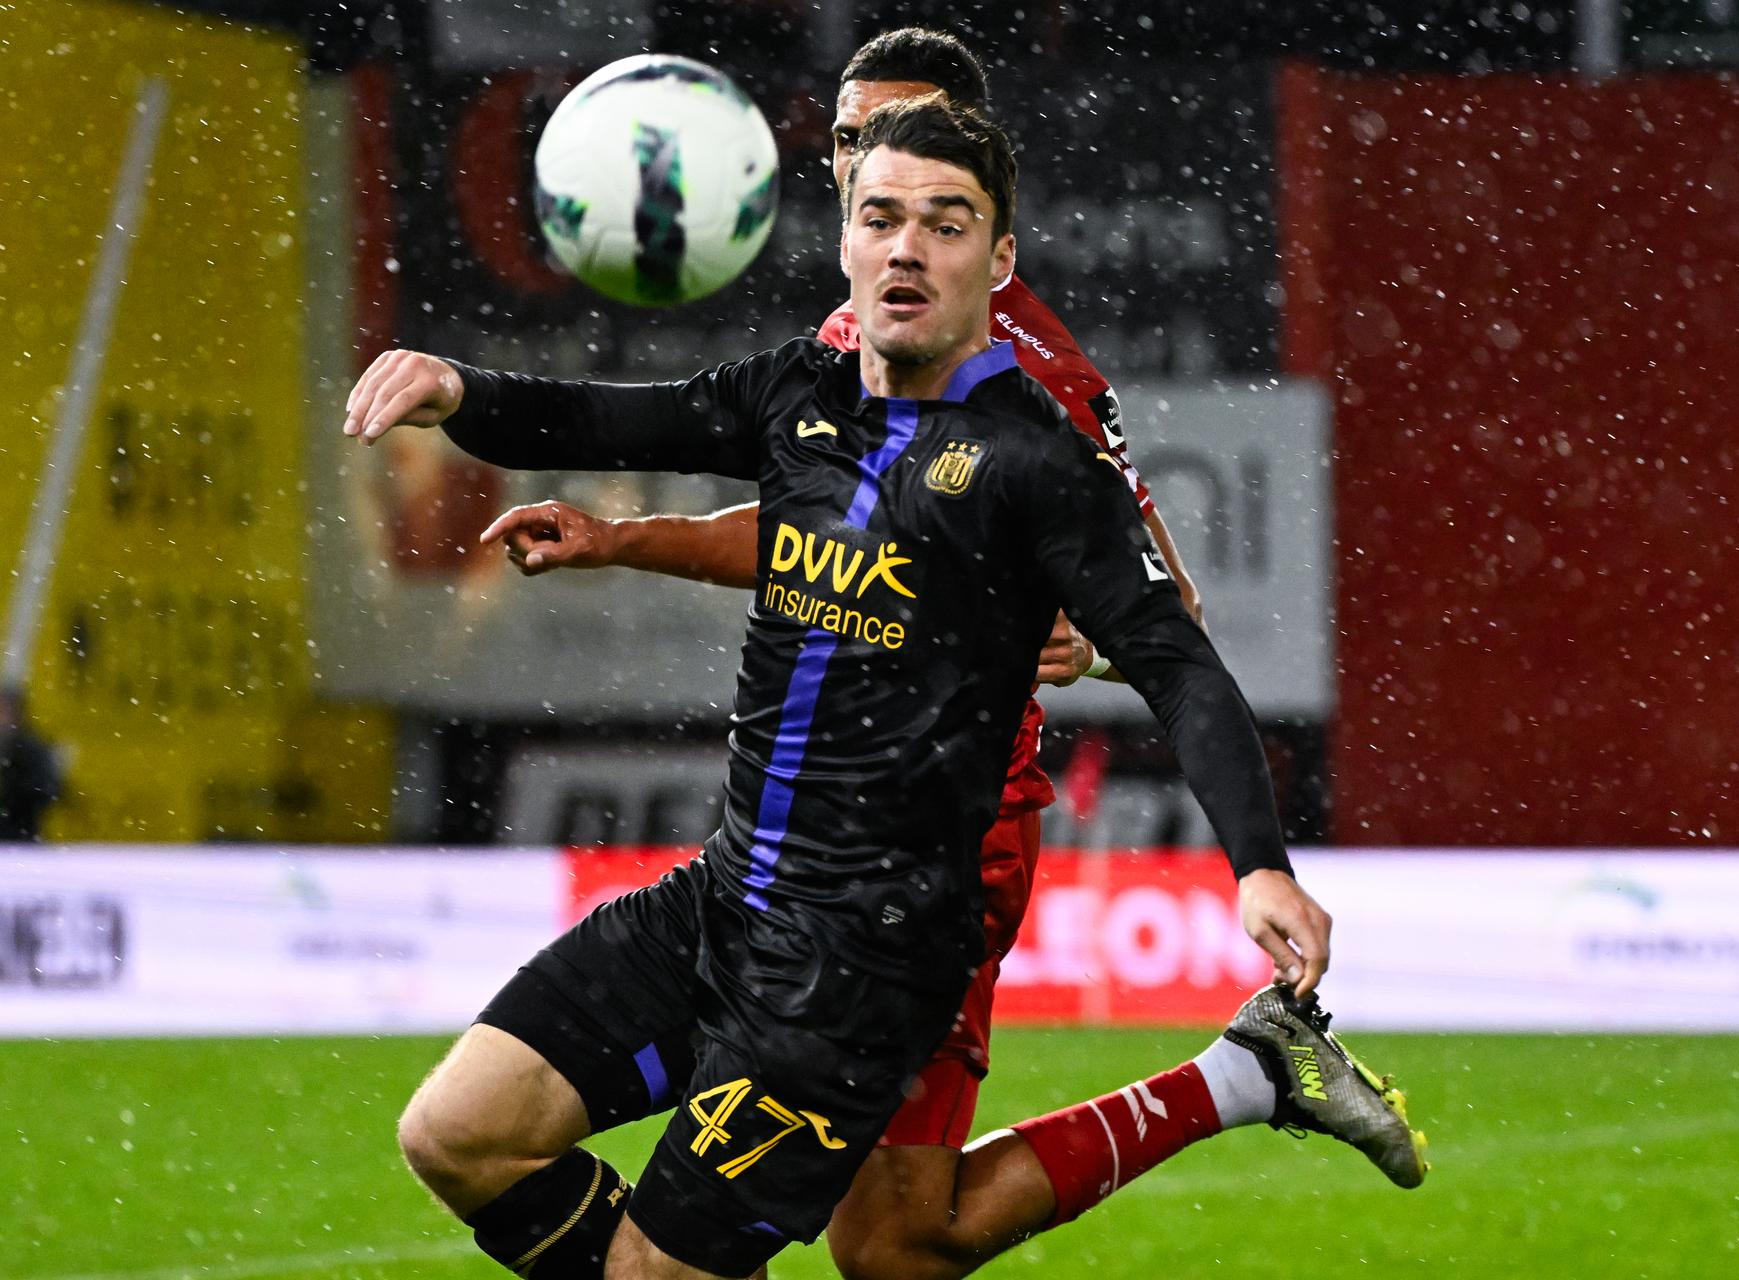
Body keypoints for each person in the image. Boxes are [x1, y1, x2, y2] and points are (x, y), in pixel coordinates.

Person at [347, 98, 1413, 1280]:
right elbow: (608, 414)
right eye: (882, 218)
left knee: (810, 1253)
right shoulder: (799, 389)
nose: (908, 247)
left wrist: (1259, 863)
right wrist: (457, 387)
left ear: (997, 258)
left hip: (855, 967)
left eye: (946, 225)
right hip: (720, 901)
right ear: (846, 243)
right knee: (455, 1134)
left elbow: (1180, 662)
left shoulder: (1036, 462)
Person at [0, 686, 62, 842]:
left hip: (21, 839)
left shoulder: (30, 748)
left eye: (4, 711)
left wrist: (13, 791)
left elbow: (47, 791)